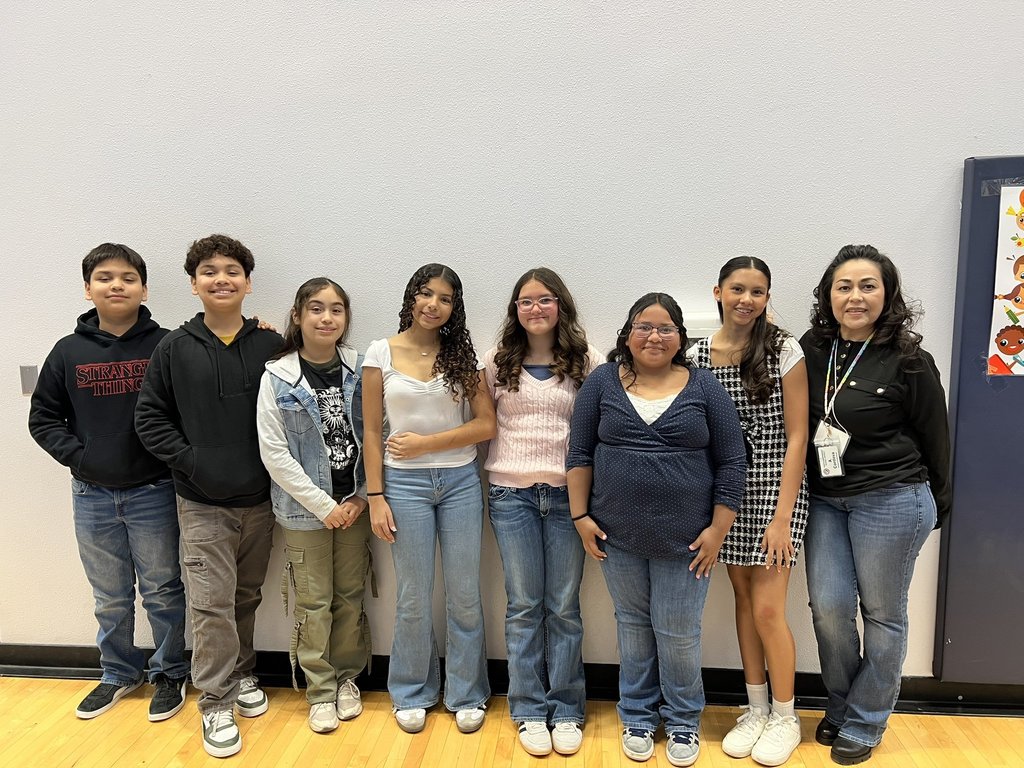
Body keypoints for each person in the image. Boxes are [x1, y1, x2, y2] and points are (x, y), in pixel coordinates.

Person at [567, 293, 746, 767]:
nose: (654, 336)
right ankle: (639, 716)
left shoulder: (704, 386)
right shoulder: (602, 381)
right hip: (616, 536)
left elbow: (732, 462)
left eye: (666, 328)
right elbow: (579, 453)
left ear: (681, 338)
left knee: (679, 632)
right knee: (632, 628)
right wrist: (580, 517)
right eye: (644, 326)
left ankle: (684, 721)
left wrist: (718, 530)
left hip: (688, 541)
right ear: (627, 334)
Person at [800, 245, 951, 766]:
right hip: (826, 500)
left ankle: (865, 720)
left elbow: (938, 441)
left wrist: (938, 505)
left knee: (883, 615)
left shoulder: (909, 359)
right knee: (830, 610)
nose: (855, 296)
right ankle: (842, 706)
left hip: (892, 498)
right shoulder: (811, 350)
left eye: (867, 285)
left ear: (887, 295)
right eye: (844, 286)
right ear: (828, 295)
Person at [135, 234, 282, 759]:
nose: (221, 278)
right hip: (200, 502)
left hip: (260, 502)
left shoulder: (270, 344)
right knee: (211, 604)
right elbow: (149, 417)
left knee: (245, 597)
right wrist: (192, 460)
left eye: (232, 270)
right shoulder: (173, 347)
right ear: (193, 283)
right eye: (209, 271)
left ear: (247, 281)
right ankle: (215, 701)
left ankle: (242, 674)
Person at [28, 243, 189, 722]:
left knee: (162, 588)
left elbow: (188, 411)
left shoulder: (168, 344)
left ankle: (170, 671)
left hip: (154, 490)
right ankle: (118, 672)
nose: (115, 285)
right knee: (110, 594)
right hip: (91, 494)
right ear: (87, 288)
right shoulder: (67, 351)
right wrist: (82, 458)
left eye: (126, 277)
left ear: (143, 288)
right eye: (104, 277)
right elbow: (43, 419)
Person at [362, 263, 496, 735]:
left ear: (454, 307)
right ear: (410, 297)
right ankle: (411, 691)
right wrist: (376, 496)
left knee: (464, 595)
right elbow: (373, 432)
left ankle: (466, 692)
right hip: (403, 487)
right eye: (425, 293)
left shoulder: (463, 355)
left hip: (459, 481)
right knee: (413, 596)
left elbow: (486, 425)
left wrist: (425, 443)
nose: (433, 304)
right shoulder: (380, 351)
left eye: (444, 298)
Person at [689, 257, 809, 766]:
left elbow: (799, 434)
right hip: (725, 489)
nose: (747, 300)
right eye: (738, 289)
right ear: (717, 291)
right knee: (741, 600)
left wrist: (783, 516)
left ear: (767, 298)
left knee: (767, 608)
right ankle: (755, 707)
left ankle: (786, 716)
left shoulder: (784, 348)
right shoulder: (696, 354)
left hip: (775, 490)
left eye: (758, 292)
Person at [484, 268, 602, 757]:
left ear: (561, 306)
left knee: (563, 606)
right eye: (526, 301)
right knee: (524, 606)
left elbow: (596, 432)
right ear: (515, 309)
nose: (536, 309)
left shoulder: (587, 361)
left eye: (545, 300)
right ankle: (529, 709)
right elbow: (480, 425)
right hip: (510, 496)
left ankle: (568, 708)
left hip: (566, 500)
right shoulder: (496, 362)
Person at [257, 278, 371, 735]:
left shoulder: (361, 369)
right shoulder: (278, 375)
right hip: (306, 512)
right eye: (317, 309)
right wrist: (323, 505)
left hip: (355, 508)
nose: (327, 318)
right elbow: (274, 451)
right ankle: (320, 690)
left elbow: (376, 434)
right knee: (314, 602)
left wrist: (362, 495)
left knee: (349, 598)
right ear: (298, 316)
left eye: (337, 310)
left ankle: (347, 679)